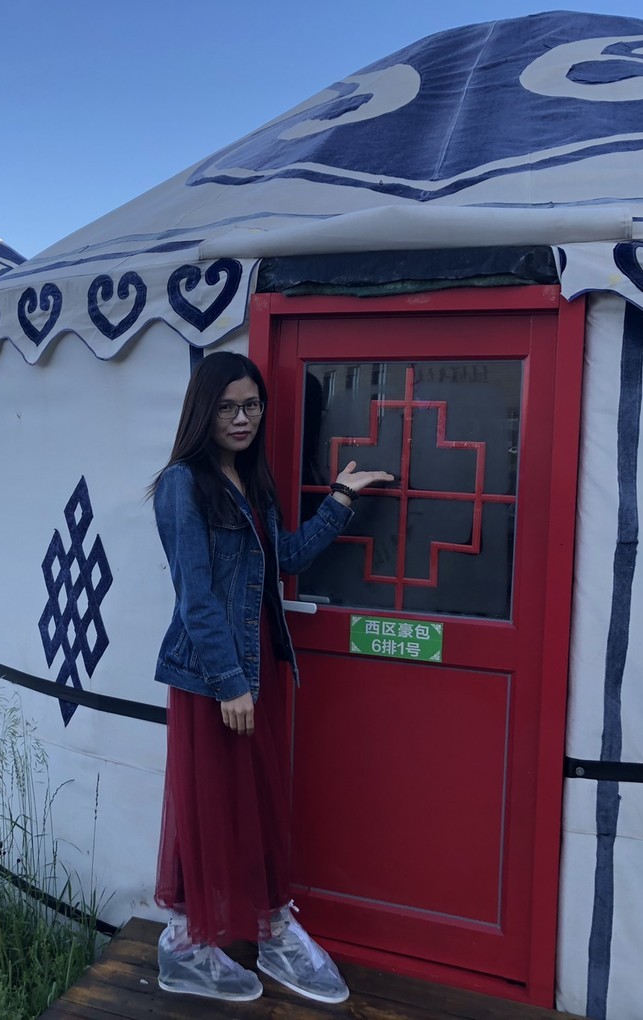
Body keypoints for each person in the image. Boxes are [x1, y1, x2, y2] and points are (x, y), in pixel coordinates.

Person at [148, 351, 393, 1003]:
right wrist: (230, 681)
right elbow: (195, 595)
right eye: (227, 407)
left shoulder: (251, 480)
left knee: (252, 801)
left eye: (252, 405)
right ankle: (186, 942)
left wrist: (340, 498)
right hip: (213, 676)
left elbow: (285, 556)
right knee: (208, 804)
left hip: (257, 668)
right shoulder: (182, 483)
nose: (242, 418)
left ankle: (271, 928)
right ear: (203, 412)